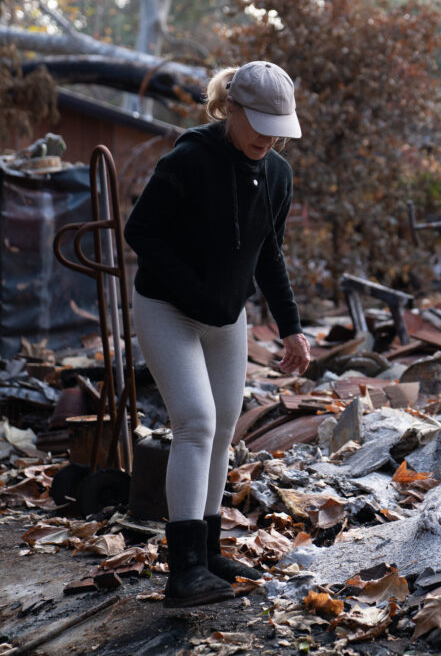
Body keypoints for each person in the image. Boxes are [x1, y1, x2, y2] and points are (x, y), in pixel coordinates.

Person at [124, 60, 311, 608]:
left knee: (224, 426)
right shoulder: (189, 158)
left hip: (226, 319)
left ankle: (206, 553)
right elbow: (141, 230)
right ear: (229, 108)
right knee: (195, 421)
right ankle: (182, 573)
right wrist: (194, 291)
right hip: (167, 308)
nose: (267, 136)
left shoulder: (277, 174)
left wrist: (291, 327)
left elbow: (268, 253)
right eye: (256, 122)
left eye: (278, 126)